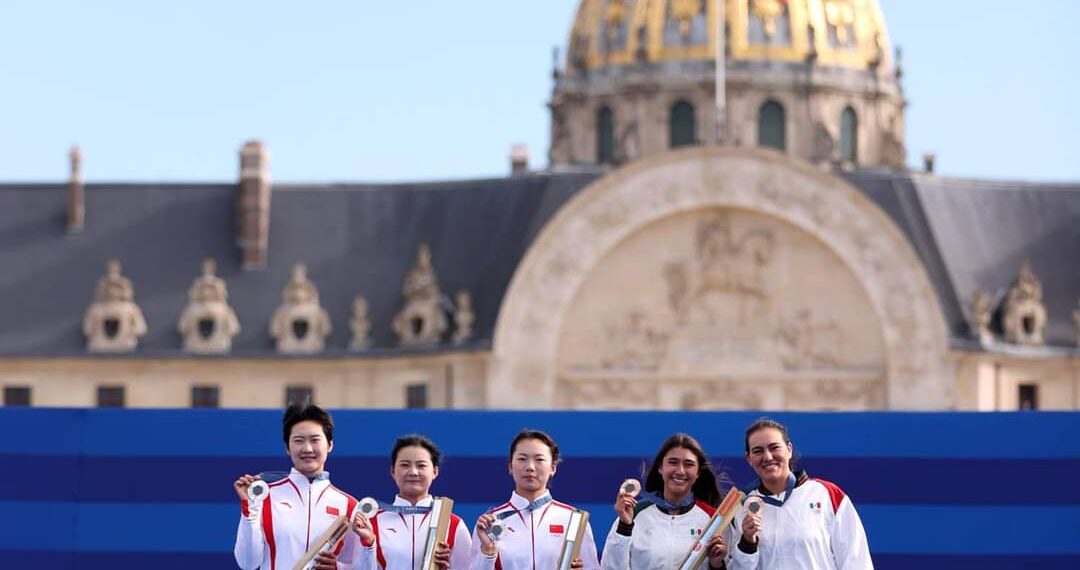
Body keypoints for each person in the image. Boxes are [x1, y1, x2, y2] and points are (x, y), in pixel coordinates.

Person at [728, 418, 873, 569]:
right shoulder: (740, 508)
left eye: (774, 447)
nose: (768, 457)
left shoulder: (827, 494)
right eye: (758, 451)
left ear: (789, 449)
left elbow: (856, 559)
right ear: (749, 459)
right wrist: (747, 542)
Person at [233, 403, 363, 570]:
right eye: (298, 441)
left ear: (330, 445)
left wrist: (339, 567)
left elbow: (358, 565)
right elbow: (247, 563)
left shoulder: (349, 506)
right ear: (287, 447)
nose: (307, 449)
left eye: (315, 440)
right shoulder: (264, 498)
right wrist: (249, 509)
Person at [469, 429, 600, 570]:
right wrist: (487, 551)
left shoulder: (574, 520)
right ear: (510, 466)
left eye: (539, 459)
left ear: (553, 468)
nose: (530, 467)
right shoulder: (490, 522)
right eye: (522, 459)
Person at [601, 433, 729, 569]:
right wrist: (624, 527)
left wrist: (717, 565)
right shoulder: (634, 514)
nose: (680, 471)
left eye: (688, 464)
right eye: (673, 462)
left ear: (698, 473)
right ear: (660, 467)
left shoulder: (713, 519)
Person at [350, 434, 471, 569]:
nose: (413, 472)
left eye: (421, 465)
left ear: (435, 471)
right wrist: (368, 545)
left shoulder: (453, 525)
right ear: (393, 471)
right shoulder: (371, 523)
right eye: (405, 465)